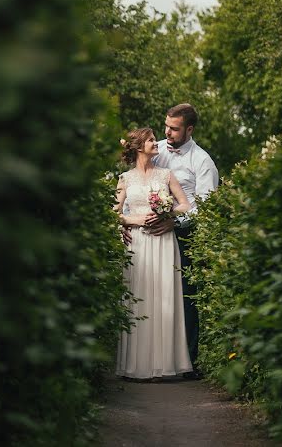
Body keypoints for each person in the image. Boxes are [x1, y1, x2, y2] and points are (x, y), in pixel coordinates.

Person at [144, 103, 219, 375]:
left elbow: (205, 205)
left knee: (186, 296)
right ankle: (155, 359)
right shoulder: (157, 150)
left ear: (189, 129)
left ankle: (188, 362)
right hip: (152, 234)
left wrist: (174, 221)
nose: (167, 132)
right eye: (166, 126)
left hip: (185, 235)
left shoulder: (202, 161)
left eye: (174, 129)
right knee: (154, 294)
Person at [114, 127, 193, 380]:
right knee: (139, 298)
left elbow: (185, 204)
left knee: (164, 298)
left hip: (163, 241)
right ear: (138, 147)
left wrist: (168, 213)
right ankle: (137, 366)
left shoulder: (166, 175)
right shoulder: (125, 179)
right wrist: (132, 221)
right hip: (137, 243)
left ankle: (164, 364)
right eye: (150, 140)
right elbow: (114, 212)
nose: (155, 142)